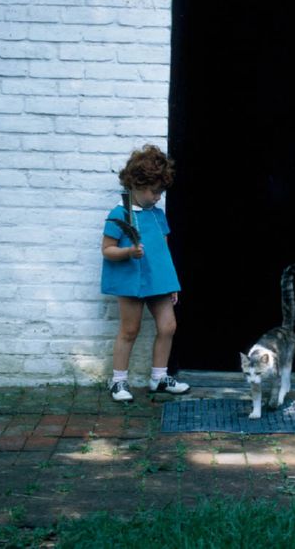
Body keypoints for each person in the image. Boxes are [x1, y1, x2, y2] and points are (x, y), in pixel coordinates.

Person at [101, 144, 190, 402]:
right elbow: (107, 250)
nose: (157, 197)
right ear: (137, 184)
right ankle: (118, 382)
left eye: (161, 192)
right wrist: (128, 252)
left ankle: (159, 378)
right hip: (129, 280)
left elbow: (163, 250)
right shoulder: (120, 214)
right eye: (154, 191)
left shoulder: (157, 215)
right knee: (130, 329)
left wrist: (171, 282)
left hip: (158, 280)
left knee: (168, 326)